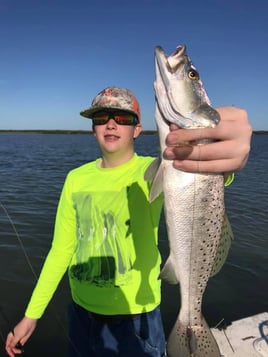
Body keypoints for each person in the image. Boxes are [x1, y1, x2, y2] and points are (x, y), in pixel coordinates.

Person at [5, 86, 252, 357]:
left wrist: (225, 159)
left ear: (137, 129)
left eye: (123, 118)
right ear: (93, 128)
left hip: (137, 319)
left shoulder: (159, 169)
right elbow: (60, 250)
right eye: (101, 117)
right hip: (80, 314)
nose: (111, 124)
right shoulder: (74, 178)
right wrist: (32, 314)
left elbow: (200, 176)